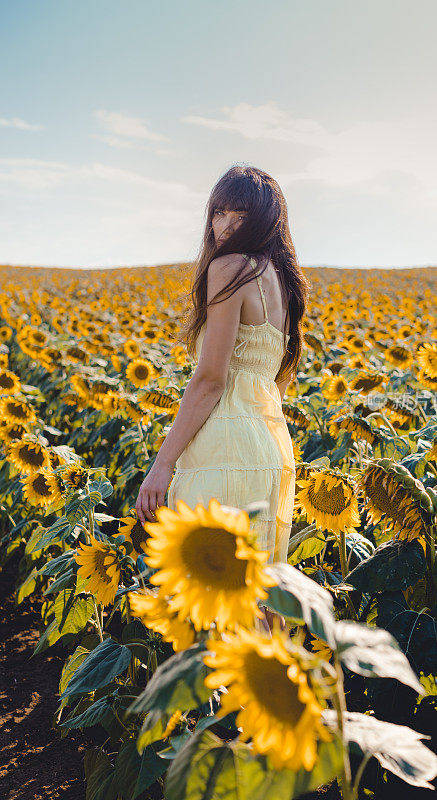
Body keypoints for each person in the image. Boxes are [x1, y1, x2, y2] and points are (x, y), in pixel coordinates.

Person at [135, 164, 310, 635]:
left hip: (224, 443)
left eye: (241, 213)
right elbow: (276, 378)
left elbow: (210, 379)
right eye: (219, 211)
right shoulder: (283, 281)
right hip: (269, 448)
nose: (226, 224)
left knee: (211, 608)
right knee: (257, 606)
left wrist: (163, 463)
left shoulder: (228, 268)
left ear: (265, 219)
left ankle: (216, 711)